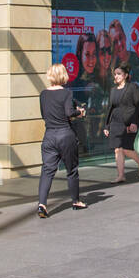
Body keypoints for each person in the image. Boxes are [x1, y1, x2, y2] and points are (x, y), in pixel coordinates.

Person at [38, 63, 87, 216]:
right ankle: (76, 201)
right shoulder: (66, 93)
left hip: (49, 136)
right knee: (71, 170)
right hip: (65, 135)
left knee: (47, 171)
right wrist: (79, 113)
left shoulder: (43, 94)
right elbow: (69, 113)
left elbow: (43, 115)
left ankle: (42, 204)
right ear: (63, 76)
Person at [103, 64, 139, 184]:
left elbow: (138, 106)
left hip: (128, 122)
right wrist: (107, 125)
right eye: (115, 74)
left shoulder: (132, 87)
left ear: (126, 75)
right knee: (117, 150)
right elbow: (110, 108)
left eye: (119, 74)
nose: (116, 76)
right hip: (115, 122)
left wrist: (134, 122)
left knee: (126, 148)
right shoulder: (113, 90)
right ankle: (121, 175)